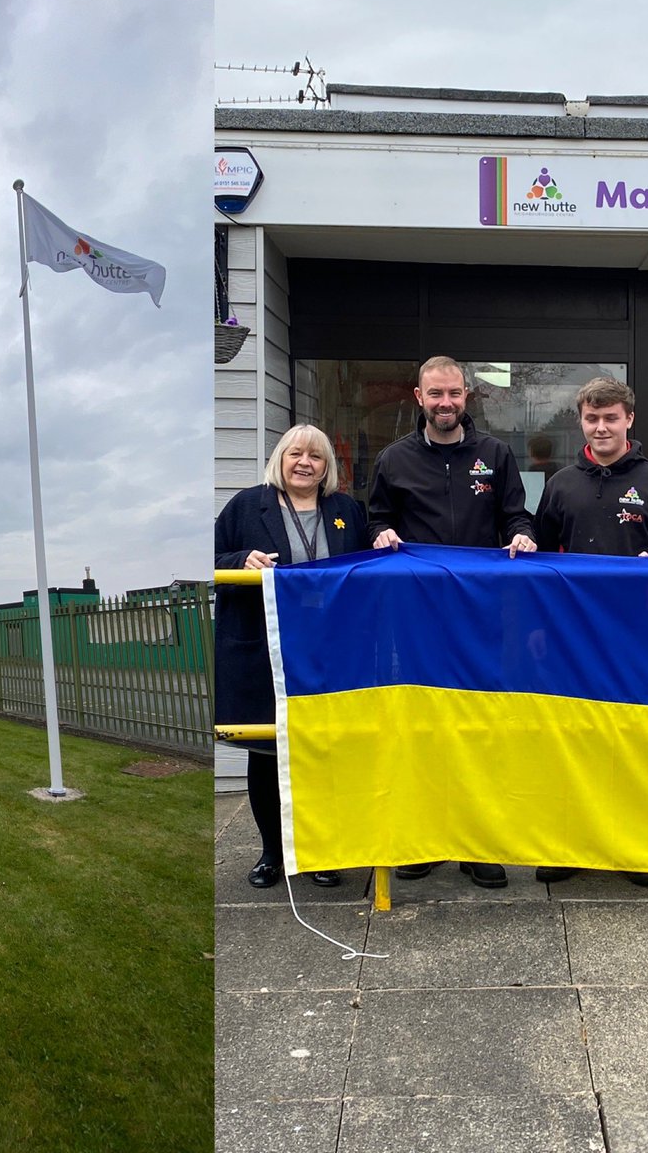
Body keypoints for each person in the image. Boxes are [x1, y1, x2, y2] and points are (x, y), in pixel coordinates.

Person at [369, 355, 537, 888]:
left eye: (455, 394)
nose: (446, 403)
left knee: (481, 725)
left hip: (483, 616)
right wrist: (380, 536)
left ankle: (477, 842)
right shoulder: (393, 460)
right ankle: (426, 838)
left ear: (468, 396)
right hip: (419, 617)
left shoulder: (495, 453)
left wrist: (522, 534)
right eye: (435, 394)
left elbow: (517, 513)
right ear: (418, 397)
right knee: (423, 726)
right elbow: (377, 519)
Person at [533, 376, 648, 888]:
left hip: (641, 639)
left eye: (611, 418)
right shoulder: (561, 484)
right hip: (573, 638)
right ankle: (570, 846)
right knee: (574, 738)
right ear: (581, 422)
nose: (601, 427)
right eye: (592, 418)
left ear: (629, 419)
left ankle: (635, 848)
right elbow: (536, 561)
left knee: (635, 741)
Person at [214, 424, 370, 890]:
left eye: (316, 457)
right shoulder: (246, 504)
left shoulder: (345, 510)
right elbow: (212, 555)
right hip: (266, 650)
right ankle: (272, 854)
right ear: (280, 459)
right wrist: (241, 558)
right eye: (296, 454)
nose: (305, 463)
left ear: (328, 467)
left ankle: (322, 852)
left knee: (324, 752)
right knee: (267, 752)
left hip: (329, 648)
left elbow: (364, 571)